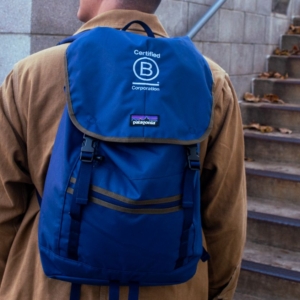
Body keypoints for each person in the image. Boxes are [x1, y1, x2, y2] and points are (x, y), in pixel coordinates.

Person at [0, 0, 247, 299]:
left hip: (46, 287)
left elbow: (4, 209)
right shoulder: (211, 82)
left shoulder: (32, 74)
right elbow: (226, 222)